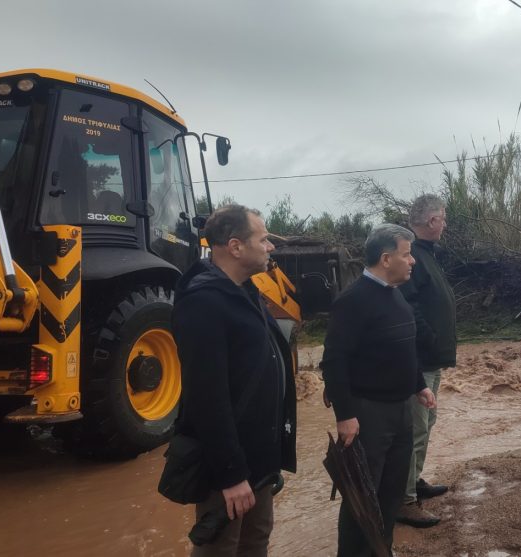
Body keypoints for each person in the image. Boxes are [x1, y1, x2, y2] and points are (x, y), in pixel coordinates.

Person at [171, 204, 297, 556]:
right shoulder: (204, 302)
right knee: (221, 549)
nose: (270, 246)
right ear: (236, 246)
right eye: (264, 239)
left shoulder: (247, 292)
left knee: (255, 541)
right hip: (227, 465)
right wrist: (230, 475)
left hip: (258, 458)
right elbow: (206, 397)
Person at [320, 224, 437, 557]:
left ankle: (381, 550)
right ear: (386, 258)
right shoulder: (353, 301)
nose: (412, 260)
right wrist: (345, 415)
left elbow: (404, 346)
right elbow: (334, 360)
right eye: (406, 254)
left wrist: (418, 386)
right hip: (368, 413)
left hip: (401, 410)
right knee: (362, 495)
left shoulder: (394, 294)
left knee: (391, 492)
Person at [395, 195, 456, 529]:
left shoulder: (425, 254)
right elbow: (410, 307)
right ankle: (404, 502)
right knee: (416, 429)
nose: (444, 224)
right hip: (420, 361)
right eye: (443, 218)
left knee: (426, 426)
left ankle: (413, 482)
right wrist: (431, 339)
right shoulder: (414, 257)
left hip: (432, 360)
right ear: (432, 221)